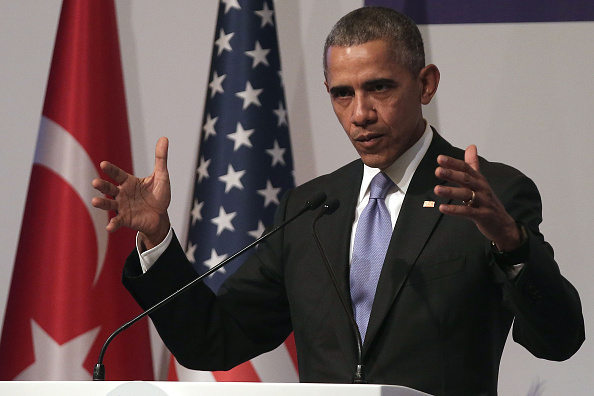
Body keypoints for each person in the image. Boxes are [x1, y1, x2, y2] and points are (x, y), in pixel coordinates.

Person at [91, 6, 584, 395]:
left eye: (380, 88)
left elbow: (558, 340)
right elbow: (213, 338)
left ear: (426, 83)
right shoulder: (311, 208)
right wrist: (157, 239)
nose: (360, 114)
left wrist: (513, 246)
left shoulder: (487, 195)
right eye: (342, 94)